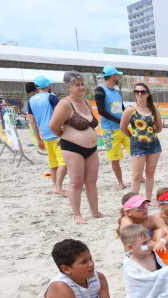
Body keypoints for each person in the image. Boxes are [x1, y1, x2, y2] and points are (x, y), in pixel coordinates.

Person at [49, 71, 108, 225]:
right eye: (77, 85)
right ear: (68, 87)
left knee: (91, 181)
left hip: (91, 148)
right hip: (72, 147)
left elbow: (90, 124)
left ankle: (95, 211)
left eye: (82, 84)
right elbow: (53, 125)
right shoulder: (65, 104)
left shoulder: (86, 102)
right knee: (76, 182)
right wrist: (64, 135)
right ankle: (77, 215)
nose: (81, 87)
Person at [119, 82, 163, 201]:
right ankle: (135, 202)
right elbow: (123, 127)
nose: (139, 94)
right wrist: (133, 137)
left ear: (147, 94)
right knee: (136, 176)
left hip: (153, 144)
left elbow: (159, 128)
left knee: (150, 174)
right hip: (137, 144)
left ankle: (148, 199)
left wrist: (149, 133)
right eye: (137, 91)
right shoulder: (130, 110)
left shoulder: (153, 110)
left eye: (142, 92)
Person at [27, 76, 67, 196]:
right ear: (48, 85)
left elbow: (32, 122)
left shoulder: (31, 101)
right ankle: (58, 187)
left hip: (44, 134)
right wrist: (63, 133)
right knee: (63, 162)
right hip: (56, 133)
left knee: (53, 164)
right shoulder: (52, 98)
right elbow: (61, 116)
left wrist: (38, 139)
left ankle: (55, 186)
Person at [95, 65, 130, 190]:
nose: (118, 77)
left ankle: (140, 176)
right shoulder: (100, 90)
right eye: (117, 75)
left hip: (123, 128)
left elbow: (122, 108)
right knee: (115, 159)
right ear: (112, 76)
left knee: (137, 152)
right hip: (109, 130)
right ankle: (120, 183)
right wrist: (119, 121)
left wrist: (128, 118)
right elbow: (101, 111)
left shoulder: (116, 91)